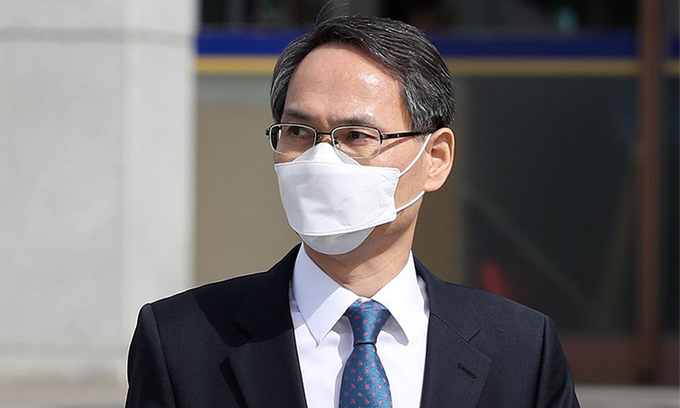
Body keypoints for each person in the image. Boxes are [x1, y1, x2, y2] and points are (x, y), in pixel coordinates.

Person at [125, 16, 580, 408]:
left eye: (357, 135)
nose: (321, 158)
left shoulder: (521, 349)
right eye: (298, 131)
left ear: (436, 158)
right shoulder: (182, 340)